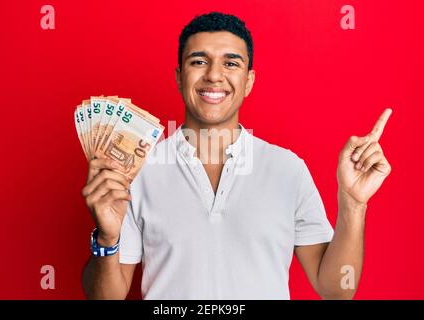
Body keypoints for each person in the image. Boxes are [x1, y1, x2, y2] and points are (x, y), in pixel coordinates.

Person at [81, 12, 392, 299]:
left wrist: (353, 204)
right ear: (179, 77)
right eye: (199, 61)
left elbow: (336, 291)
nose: (215, 75)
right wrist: (107, 240)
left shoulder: (288, 170)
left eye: (231, 63)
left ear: (249, 82)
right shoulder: (137, 171)